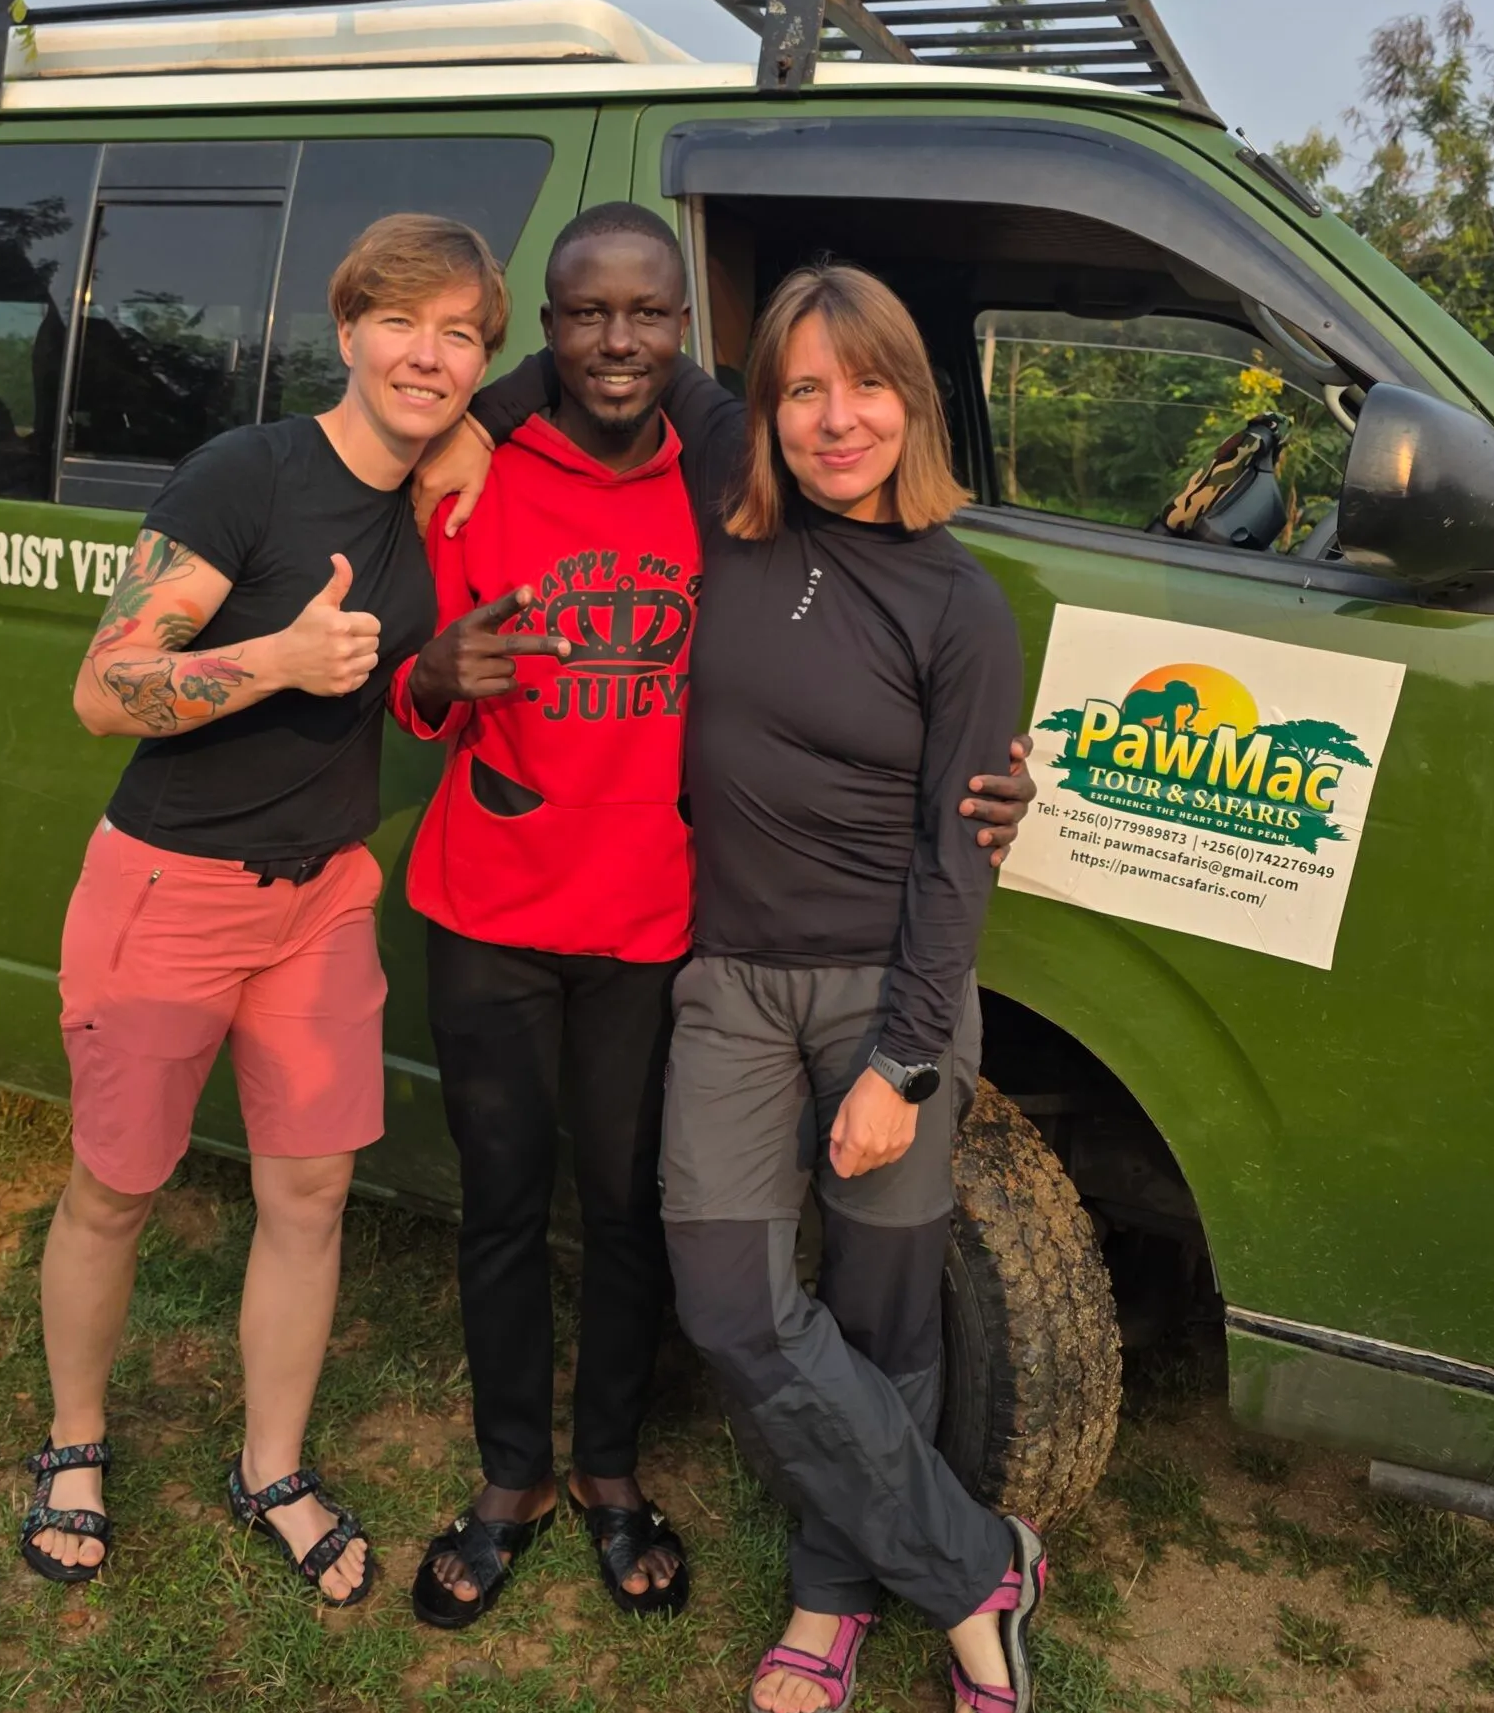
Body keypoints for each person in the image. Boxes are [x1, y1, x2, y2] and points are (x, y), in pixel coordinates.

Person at [395, 208, 1034, 1634]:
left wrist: (985, 789)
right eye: (581, 315)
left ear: (686, 328)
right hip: (522, 914)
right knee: (507, 1202)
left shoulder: (727, 478)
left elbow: (718, 402)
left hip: (657, 926)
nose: (614, 342)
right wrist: (439, 633)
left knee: (634, 1217)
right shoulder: (515, 471)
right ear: (544, 328)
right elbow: (410, 646)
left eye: (649, 314)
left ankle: (617, 1471)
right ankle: (514, 1481)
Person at [18, 213, 556, 1606]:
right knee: (116, 1192)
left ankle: (273, 1462)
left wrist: (471, 434)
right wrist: (281, 659)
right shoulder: (244, 473)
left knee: (308, 1192)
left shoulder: (436, 486)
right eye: (402, 323)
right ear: (349, 328)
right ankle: (74, 1446)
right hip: (169, 889)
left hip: (321, 898)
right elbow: (102, 688)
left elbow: (562, 388)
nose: (428, 357)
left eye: (459, 335)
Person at [654, 262, 1046, 1713]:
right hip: (733, 987)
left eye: (866, 385)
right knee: (735, 1306)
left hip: (894, 997)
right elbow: (585, 362)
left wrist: (900, 1062)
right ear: (763, 407)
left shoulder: (961, 602)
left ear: (914, 401)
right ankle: (973, 1569)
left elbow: (962, 860)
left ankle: (831, 1599)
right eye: (802, 388)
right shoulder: (726, 524)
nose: (836, 419)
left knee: (884, 1315)